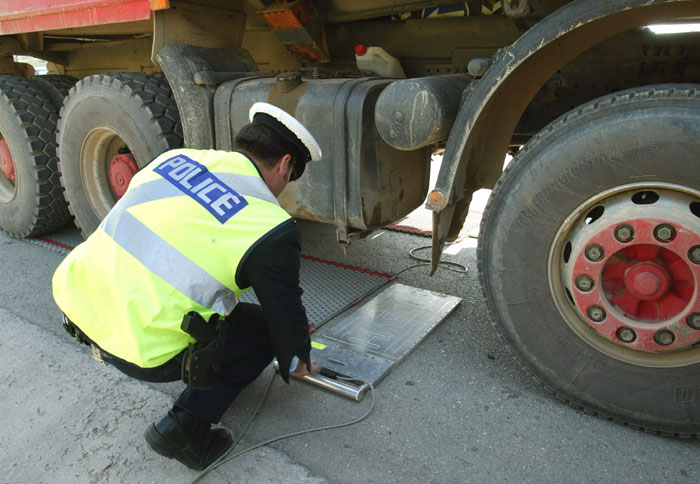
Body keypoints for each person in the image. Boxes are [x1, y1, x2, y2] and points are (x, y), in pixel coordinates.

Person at [52, 102, 322, 470]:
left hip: (76, 306)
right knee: (264, 332)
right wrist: (297, 360)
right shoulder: (269, 226)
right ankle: (186, 428)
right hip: (140, 349)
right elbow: (285, 317)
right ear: (285, 164)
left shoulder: (173, 159)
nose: (281, 189)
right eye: (288, 179)